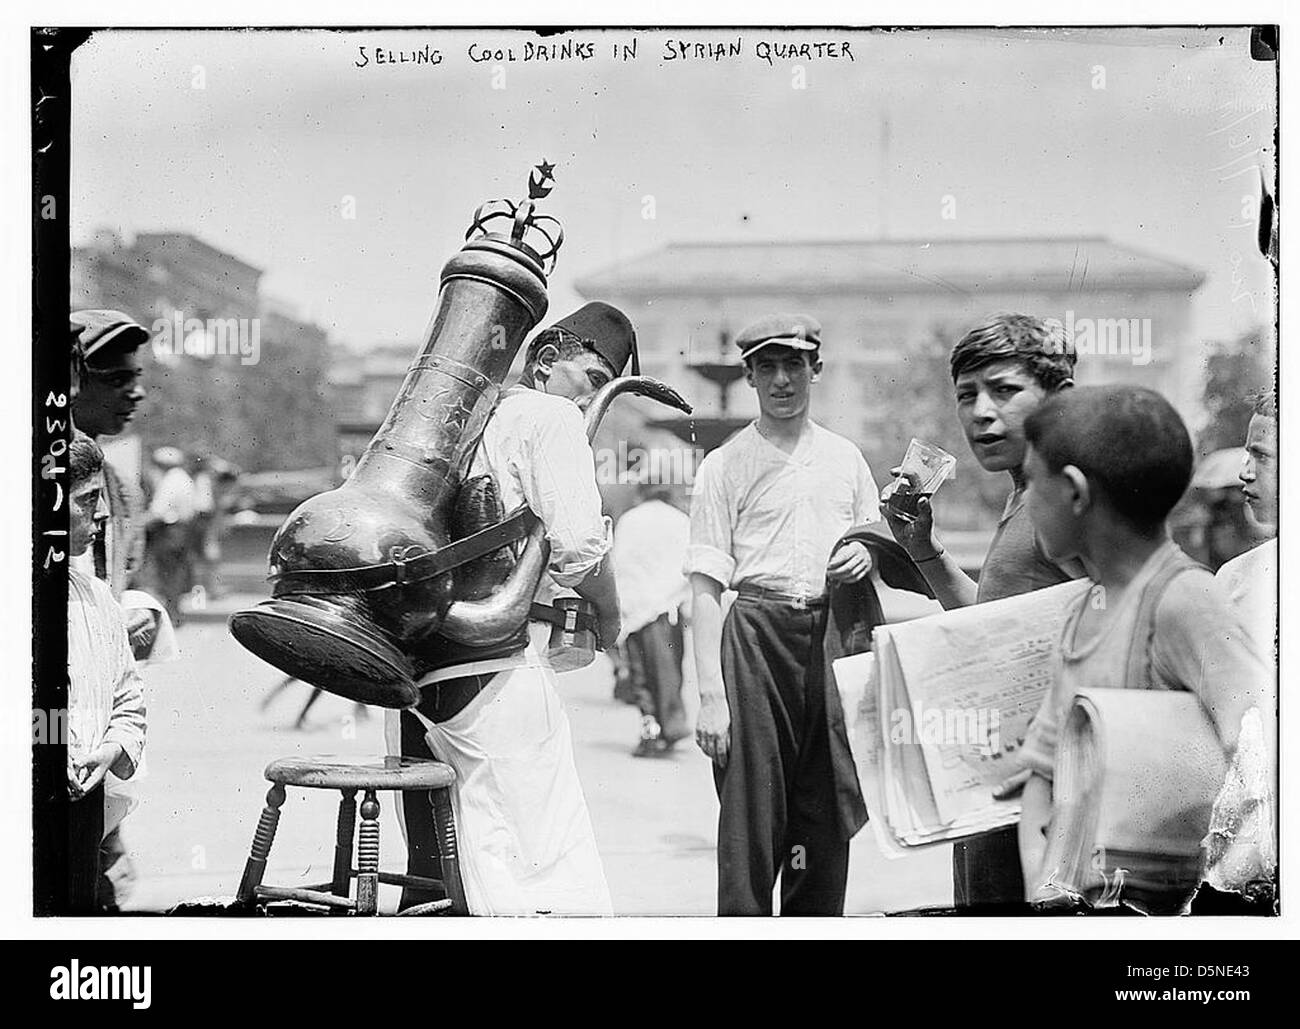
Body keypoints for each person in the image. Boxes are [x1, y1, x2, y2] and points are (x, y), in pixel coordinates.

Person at [386, 301, 636, 916]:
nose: (588, 403)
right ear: (547, 360)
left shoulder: (459, 420)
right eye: (593, 381)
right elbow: (580, 553)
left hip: (417, 686)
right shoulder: (550, 417)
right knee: (542, 868)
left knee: (441, 873)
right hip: (498, 678)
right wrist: (613, 613)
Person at [1013, 386, 1272, 903]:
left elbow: (1260, 763)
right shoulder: (1082, 611)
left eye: (1029, 483)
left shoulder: (1186, 600)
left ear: (1075, 492)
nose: (1023, 501)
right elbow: (1043, 782)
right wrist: (1046, 896)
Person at [880, 313, 1082, 911]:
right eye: (967, 395)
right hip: (1001, 780)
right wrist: (923, 549)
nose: (981, 412)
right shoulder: (1027, 495)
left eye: (1005, 390)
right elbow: (991, 621)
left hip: (1045, 791)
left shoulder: (1069, 502)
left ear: (1061, 400)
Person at [687, 313, 881, 916]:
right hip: (755, 636)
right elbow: (702, 587)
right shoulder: (725, 464)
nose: (781, 380)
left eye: (792, 364)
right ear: (748, 376)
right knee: (751, 812)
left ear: (814, 369)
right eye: (766, 367)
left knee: (825, 807)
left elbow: (875, 545)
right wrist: (711, 698)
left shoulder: (846, 459)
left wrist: (862, 554)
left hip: (830, 638)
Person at [1201, 387, 1278, 904]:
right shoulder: (1236, 579)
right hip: (1238, 858)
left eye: (1263, 457)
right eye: (1246, 455)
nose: (1244, 473)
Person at [66, 431, 148, 912]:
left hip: (87, 800)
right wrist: (52, 750)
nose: (101, 513)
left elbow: (128, 695)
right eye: (87, 499)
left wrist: (111, 747)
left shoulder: (95, 598)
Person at [611, 481, 692, 756]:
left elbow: (618, 563)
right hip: (668, 608)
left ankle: (652, 729)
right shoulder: (680, 520)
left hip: (636, 609)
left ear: (641, 493)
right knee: (670, 671)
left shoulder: (629, 520)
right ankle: (670, 727)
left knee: (641, 674)